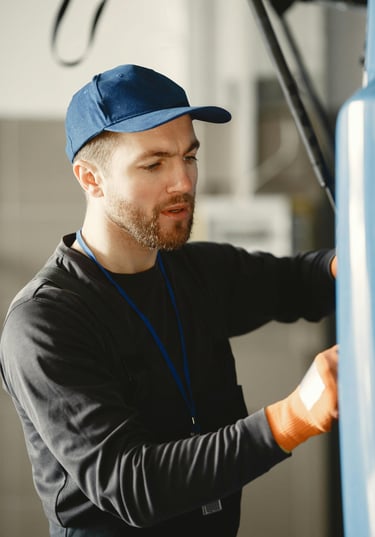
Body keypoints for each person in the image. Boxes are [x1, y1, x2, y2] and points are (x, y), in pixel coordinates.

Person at [0, 64, 338, 537]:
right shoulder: (44, 322)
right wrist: (294, 417)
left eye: (189, 156)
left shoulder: (193, 273)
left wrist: (355, 265)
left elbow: (304, 280)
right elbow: (133, 485)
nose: (182, 181)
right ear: (90, 179)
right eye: (154, 163)